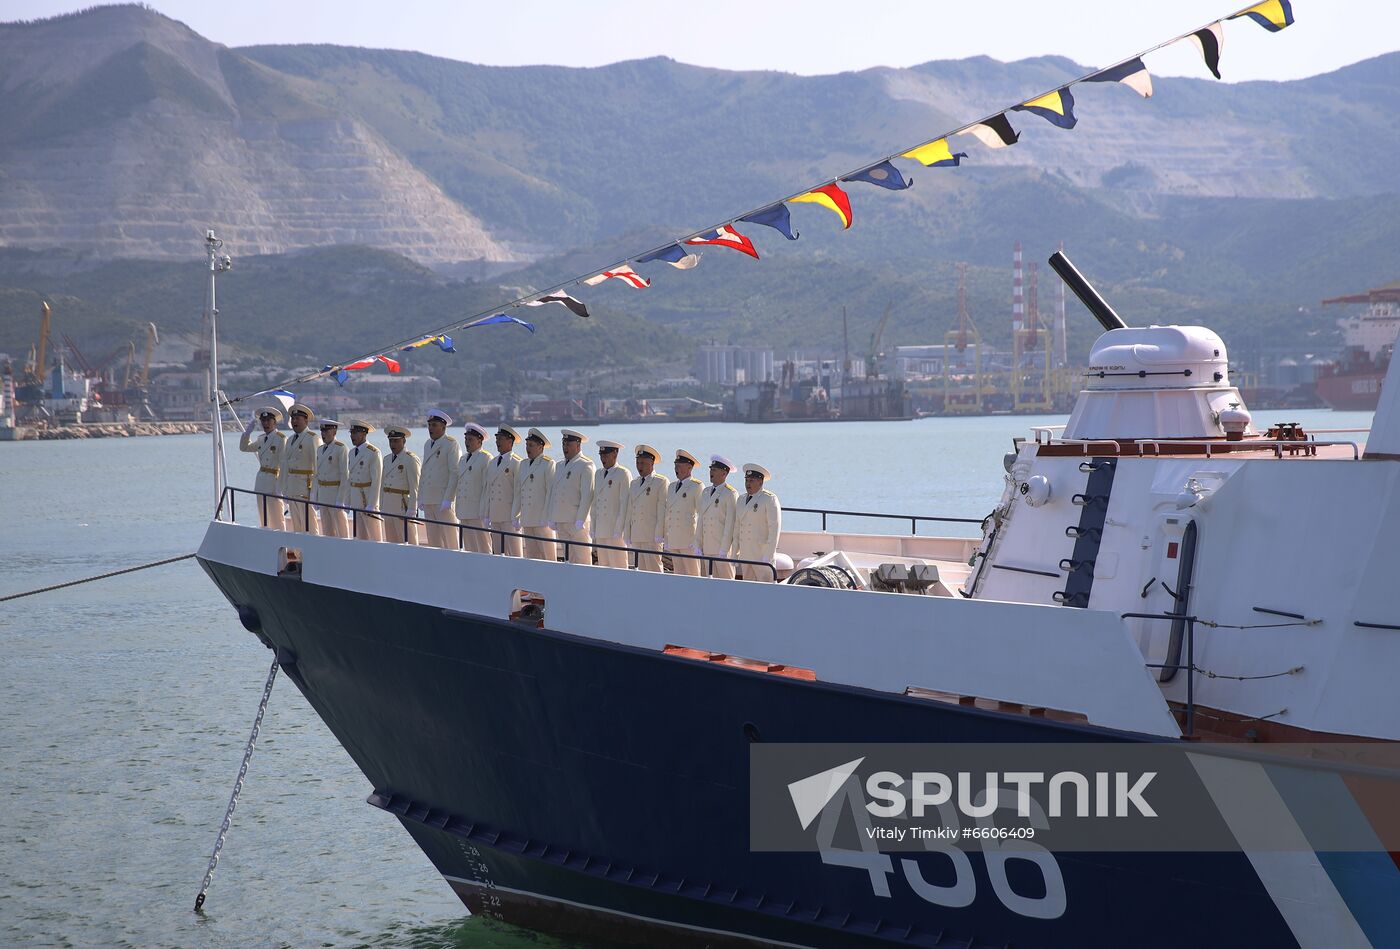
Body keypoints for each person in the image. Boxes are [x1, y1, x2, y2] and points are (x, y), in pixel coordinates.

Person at [547, 429, 595, 564]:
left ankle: (585, 584)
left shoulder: (586, 464)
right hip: (562, 520)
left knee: (582, 558)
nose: (565, 447)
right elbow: (554, 492)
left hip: (576, 522)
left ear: (578, 446)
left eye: (568, 444)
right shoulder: (559, 465)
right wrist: (552, 516)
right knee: (568, 559)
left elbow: (587, 495)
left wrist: (581, 519)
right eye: (564, 444)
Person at [239, 405, 287, 529]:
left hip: (274, 482)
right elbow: (244, 448)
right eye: (263, 421)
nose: (265, 424)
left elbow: (284, 465)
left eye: (268, 421)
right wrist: (247, 434)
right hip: (261, 482)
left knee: (277, 518)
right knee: (263, 518)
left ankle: (283, 546)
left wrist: (280, 487)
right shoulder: (261, 439)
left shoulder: (281, 439)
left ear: (274, 422)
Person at [419, 410, 460, 548]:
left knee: (449, 540)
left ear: (443, 427)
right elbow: (424, 472)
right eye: (429, 425)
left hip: (442, 500)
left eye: (434, 425)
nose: (431, 428)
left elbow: (454, 473)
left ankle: (454, 565)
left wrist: (449, 499)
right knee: (433, 540)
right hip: (429, 499)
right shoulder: (427, 444)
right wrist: (421, 497)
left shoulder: (450, 444)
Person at [449, 422, 493, 553]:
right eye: (466, 439)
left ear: (479, 441)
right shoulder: (462, 459)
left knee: (483, 545)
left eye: (470, 440)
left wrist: (485, 511)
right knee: (469, 546)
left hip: (477, 511)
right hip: (464, 510)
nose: (467, 442)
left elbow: (487, 487)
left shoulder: (485, 458)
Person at [624, 444, 668, 572]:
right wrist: (627, 534)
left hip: (651, 537)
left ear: (652, 463)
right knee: (641, 570)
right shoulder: (634, 483)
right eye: (638, 462)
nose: (639, 466)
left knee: (654, 570)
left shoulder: (660, 482)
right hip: (637, 535)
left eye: (643, 463)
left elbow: (662, 512)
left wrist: (660, 534)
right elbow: (629, 511)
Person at [734, 463, 781, 581]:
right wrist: (734, 553)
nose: (748, 484)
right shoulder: (741, 499)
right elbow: (737, 529)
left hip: (761, 555)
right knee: (748, 589)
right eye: (747, 480)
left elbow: (774, 530)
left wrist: (768, 555)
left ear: (761, 482)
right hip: (746, 554)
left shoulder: (769, 499)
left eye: (752, 481)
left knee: (765, 591)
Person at [515, 427, 556, 561]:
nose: (528, 448)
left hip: (541, 520)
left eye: (531, 445)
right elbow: (519, 492)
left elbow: (551, 492)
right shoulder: (523, 464)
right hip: (527, 519)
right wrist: (515, 515)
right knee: (531, 557)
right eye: (527, 445)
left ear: (540, 447)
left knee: (547, 556)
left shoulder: (547, 464)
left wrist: (547, 516)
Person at [590, 440, 631, 568]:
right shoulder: (598, 474)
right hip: (602, 529)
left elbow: (624, 504)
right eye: (601, 455)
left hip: (615, 531)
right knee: (604, 565)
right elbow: (595, 503)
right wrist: (593, 527)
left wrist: (619, 529)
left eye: (606, 455)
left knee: (618, 566)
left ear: (615, 454)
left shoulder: (622, 473)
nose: (603, 458)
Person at [279, 403, 320, 534]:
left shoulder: (312, 438)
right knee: (297, 525)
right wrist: (283, 489)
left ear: (306, 420)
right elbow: (285, 465)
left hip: (305, 488)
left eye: (298, 419)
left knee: (309, 524)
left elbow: (317, 466)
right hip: (292, 488)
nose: (294, 421)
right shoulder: (290, 439)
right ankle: (298, 553)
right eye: (293, 419)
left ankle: (314, 548)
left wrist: (315, 492)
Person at [482, 425, 522, 556]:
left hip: (509, 517)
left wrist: (517, 515)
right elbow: (488, 490)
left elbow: (518, 492)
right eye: (497, 439)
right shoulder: (493, 462)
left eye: (501, 439)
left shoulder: (516, 462)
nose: (497, 442)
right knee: (498, 552)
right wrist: (487, 513)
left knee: (514, 553)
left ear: (510, 442)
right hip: (495, 515)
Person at [663, 449, 704, 576]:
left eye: (679, 466)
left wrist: (698, 541)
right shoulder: (671, 487)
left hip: (689, 540)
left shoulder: (696, 486)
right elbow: (668, 514)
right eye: (675, 466)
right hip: (674, 538)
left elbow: (701, 515)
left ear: (689, 467)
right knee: (678, 574)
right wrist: (667, 537)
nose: (676, 469)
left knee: (692, 574)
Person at [700, 454, 739, 579]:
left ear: (724, 473)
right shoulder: (706, 492)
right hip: (707, 546)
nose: (711, 472)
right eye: (711, 469)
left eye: (714, 470)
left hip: (721, 549)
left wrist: (725, 549)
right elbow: (701, 519)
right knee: (709, 582)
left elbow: (730, 524)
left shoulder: (730, 493)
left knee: (726, 582)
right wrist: (697, 543)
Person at [381, 425, 421, 544]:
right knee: (391, 541)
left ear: (403, 441)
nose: (393, 444)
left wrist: (413, 509)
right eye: (391, 441)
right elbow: (383, 485)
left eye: (396, 441)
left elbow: (415, 487)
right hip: (388, 506)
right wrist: (381, 505)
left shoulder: (410, 459)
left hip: (402, 507)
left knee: (408, 541)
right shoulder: (387, 459)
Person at [346, 419, 383, 541]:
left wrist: (372, 504)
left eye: (355, 433)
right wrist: (347, 500)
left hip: (367, 499)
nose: (352, 436)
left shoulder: (373, 453)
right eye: (351, 433)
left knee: (374, 537)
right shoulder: (351, 453)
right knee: (360, 536)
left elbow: (377, 481)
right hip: (356, 499)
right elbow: (350, 478)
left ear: (363, 434)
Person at [313, 419, 350, 538]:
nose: (323, 434)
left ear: (334, 432)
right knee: (327, 530)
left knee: (341, 530)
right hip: (323, 494)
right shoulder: (320, 449)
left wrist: (341, 499)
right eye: (322, 431)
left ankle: (345, 551)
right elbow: (317, 474)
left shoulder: (341, 448)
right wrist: (315, 496)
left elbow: (345, 476)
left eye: (326, 430)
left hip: (335, 494)